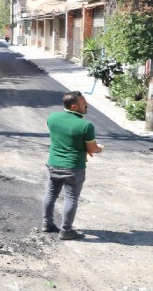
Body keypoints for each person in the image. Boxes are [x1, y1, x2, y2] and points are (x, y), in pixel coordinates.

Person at [42, 91, 103, 240]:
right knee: (71, 198)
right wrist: (100, 148)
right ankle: (66, 231)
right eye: (84, 104)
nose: (87, 105)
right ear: (75, 106)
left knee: (50, 194)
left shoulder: (52, 117)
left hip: (53, 163)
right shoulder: (86, 125)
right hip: (74, 167)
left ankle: (46, 224)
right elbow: (91, 149)